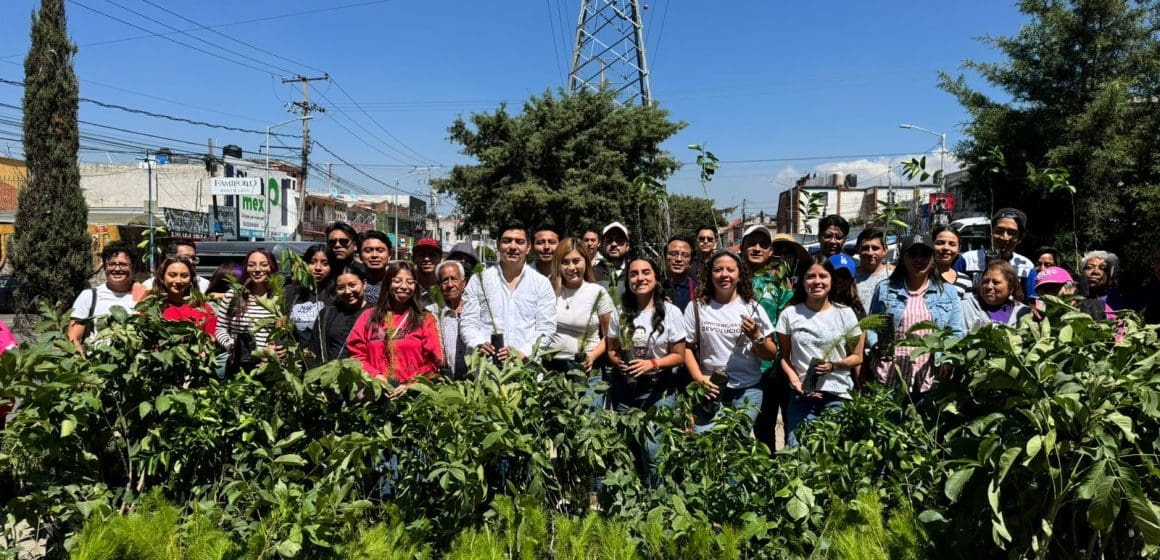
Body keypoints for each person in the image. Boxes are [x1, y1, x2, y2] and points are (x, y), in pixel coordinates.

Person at [607, 256, 687, 480]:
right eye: (634, 274)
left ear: (656, 277)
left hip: (658, 389)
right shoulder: (619, 313)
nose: (640, 278)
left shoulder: (671, 313)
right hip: (625, 388)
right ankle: (632, 502)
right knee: (627, 448)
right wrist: (619, 362)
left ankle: (656, 502)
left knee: (653, 450)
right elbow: (612, 349)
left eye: (645, 272)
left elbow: (679, 356)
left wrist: (652, 363)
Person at [683, 250, 777, 430]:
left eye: (730, 270)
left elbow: (771, 354)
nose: (724, 274)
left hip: (747, 390)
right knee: (704, 442)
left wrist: (757, 336)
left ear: (740, 275)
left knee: (735, 446)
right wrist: (699, 378)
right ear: (709, 274)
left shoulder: (752, 307)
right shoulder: (697, 307)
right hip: (710, 389)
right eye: (718, 270)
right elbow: (687, 348)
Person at [777, 259, 864, 447]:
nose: (817, 281)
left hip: (837, 394)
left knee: (833, 456)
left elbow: (857, 357)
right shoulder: (789, 314)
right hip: (802, 396)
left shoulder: (846, 313)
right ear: (802, 281)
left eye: (823, 276)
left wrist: (834, 366)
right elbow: (784, 357)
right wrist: (795, 381)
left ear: (831, 281)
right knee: (798, 454)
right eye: (810, 276)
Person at [869, 235, 965, 396]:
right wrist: (875, 344)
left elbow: (954, 332)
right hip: (890, 373)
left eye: (925, 255)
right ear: (903, 258)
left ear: (933, 259)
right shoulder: (885, 289)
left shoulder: (948, 293)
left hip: (928, 374)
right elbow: (871, 325)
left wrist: (948, 360)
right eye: (912, 254)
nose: (919, 260)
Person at [460, 220, 557, 362]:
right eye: (507, 241)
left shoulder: (541, 283)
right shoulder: (479, 280)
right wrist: (478, 343)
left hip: (526, 371)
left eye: (519, 242)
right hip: (487, 371)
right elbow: (468, 322)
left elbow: (546, 329)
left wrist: (523, 353)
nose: (513, 246)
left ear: (528, 247)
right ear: (498, 245)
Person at [346, 262, 443, 398]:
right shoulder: (368, 317)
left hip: (414, 398)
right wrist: (375, 375)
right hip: (376, 395)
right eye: (397, 281)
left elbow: (434, 360)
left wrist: (410, 384)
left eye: (410, 282)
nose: (404, 286)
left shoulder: (425, 319)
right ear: (387, 284)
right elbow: (356, 355)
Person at [545, 238, 614, 407]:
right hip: (553, 369)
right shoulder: (548, 290)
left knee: (589, 425)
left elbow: (609, 335)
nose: (571, 268)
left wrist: (593, 355)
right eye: (565, 262)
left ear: (586, 261)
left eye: (576, 261)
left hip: (586, 369)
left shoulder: (597, 293)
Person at [214, 249, 286, 373]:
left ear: (272, 267)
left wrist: (274, 350)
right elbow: (220, 328)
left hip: (269, 366)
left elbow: (283, 333)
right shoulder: (233, 295)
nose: (257, 269)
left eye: (263, 265)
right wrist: (232, 345)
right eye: (251, 265)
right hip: (239, 364)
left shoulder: (279, 297)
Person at [68, 241, 145, 353]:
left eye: (123, 264)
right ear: (104, 266)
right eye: (112, 264)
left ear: (133, 268)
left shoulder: (144, 296)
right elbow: (73, 338)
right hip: (98, 366)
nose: (117, 269)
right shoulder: (89, 296)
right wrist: (84, 365)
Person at [954, 208, 1034, 295]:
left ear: (1020, 238)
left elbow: (1032, 301)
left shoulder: (1026, 267)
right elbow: (952, 293)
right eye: (999, 231)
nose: (1004, 237)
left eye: (1011, 233)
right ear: (990, 232)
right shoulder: (968, 259)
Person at [307, 265, 370, 367]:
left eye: (352, 285)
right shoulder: (327, 314)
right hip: (331, 376)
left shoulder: (375, 314)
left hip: (365, 377)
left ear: (364, 284)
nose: (347, 291)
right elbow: (315, 348)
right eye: (341, 288)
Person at [151, 255, 216, 337]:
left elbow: (213, 341)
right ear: (162, 277)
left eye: (184, 276)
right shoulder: (152, 307)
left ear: (191, 280)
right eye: (172, 275)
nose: (178, 281)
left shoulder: (203, 309)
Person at [961, 260, 1030, 331]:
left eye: (996, 282)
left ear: (1011, 287)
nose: (989, 286)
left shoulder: (1023, 313)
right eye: (985, 281)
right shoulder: (964, 308)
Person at [428, 260, 469, 378]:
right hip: (444, 382)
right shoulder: (431, 313)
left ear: (464, 282)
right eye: (445, 280)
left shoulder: (475, 310)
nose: (450, 285)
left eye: (454, 279)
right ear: (439, 286)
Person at [286, 244, 333, 343]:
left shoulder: (335, 295)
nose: (318, 268)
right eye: (312, 262)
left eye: (325, 263)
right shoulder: (292, 293)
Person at [1034, 266, 1110, 321]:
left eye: (1053, 288)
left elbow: (1118, 334)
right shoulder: (1039, 317)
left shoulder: (1098, 307)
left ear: (1072, 288)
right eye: (1042, 291)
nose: (1048, 295)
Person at [141, 240, 210, 293]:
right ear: (171, 258)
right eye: (185, 257)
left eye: (193, 258)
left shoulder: (204, 285)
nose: (191, 261)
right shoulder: (149, 285)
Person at [931, 225, 973, 299]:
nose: (946, 248)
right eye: (940, 243)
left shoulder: (965, 280)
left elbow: (966, 309)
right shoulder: (920, 276)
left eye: (952, 244)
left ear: (959, 248)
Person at [854, 228, 890, 307]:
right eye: (865, 248)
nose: (870, 253)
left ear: (885, 250)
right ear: (857, 250)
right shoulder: (848, 278)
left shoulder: (893, 276)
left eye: (875, 248)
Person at [594, 222, 631, 297]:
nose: (614, 244)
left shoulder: (634, 273)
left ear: (627, 246)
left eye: (619, 240)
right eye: (609, 240)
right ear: (602, 245)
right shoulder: (591, 274)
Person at [661, 235, 696, 312]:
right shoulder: (655, 288)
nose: (678, 259)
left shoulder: (698, 291)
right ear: (665, 257)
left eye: (685, 255)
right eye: (673, 254)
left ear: (691, 262)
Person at [359, 231, 392, 306]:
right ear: (360, 256)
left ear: (389, 255)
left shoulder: (398, 284)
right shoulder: (351, 284)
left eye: (380, 250)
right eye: (368, 251)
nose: (374, 255)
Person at [827, 253, 865, 317]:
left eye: (845, 276)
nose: (839, 280)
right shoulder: (815, 304)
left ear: (851, 281)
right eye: (835, 275)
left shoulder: (857, 308)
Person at [411, 238, 442, 305]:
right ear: (413, 259)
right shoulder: (408, 288)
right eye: (422, 255)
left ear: (440, 259)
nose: (427, 259)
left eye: (432, 255)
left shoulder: (446, 287)